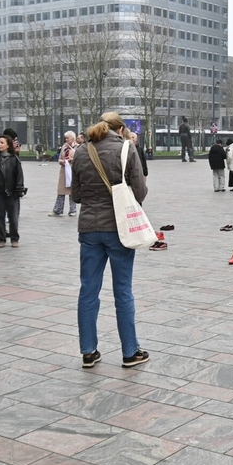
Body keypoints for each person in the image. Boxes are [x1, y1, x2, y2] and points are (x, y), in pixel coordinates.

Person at [70, 112, 150, 368]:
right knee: (123, 290)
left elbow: (77, 195)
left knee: (88, 290)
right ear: (120, 128)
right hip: (120, 229)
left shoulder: (82, 151)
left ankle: (88, 351)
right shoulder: (127, 148)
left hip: (89, 229)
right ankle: (129, 351)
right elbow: (140, 191)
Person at [0, 134, 26, 248]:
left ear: (8, 145)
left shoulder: (14, 159)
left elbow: (19, 176)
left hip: (12, 193)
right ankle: (1, 238)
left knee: (13, 218)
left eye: (2, 143)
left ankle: (14, 238)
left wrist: (19, 189)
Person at [51, 131, 79, 217]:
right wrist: (61, 161)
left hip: (72, 171)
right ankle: (57, 210)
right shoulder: (64, 146)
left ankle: (73, 210)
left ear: (73, 138)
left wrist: (72, 160)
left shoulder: (77, 147)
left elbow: (80, 159)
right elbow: (60, 157)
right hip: (64, 171)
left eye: (68, 138)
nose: (66, 139)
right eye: (65, 138)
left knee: (72, 191)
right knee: (61, 191)